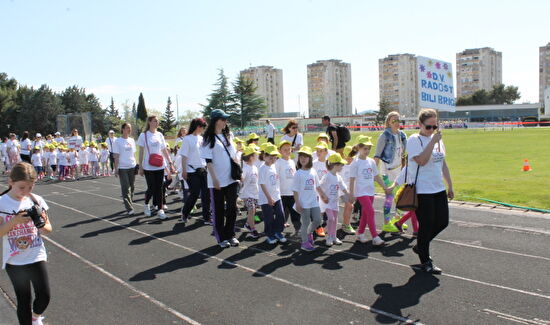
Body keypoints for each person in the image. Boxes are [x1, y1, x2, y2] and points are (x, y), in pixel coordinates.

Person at [396, 109, 454, 274]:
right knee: (426, 225)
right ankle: (425, 260)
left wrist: (450, 185)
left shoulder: (438, 140)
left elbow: (443, 163)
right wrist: (432, 141)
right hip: (422, 190)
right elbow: (421, 161)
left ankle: (421, 246)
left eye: (434, 126)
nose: (432, 130)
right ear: (420, 125)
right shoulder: (415, 140)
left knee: (442, 222)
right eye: (428, 127)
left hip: (438, 188)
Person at [0, 162, 52, 325]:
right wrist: (14, 221)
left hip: (36, 254)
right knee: (24, 300)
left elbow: (49, 228)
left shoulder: (36, 200)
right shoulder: (2, 203)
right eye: (22, 187)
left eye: (30, 187)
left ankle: (35, 317)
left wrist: (41, 224)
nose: (26, 192)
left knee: (44, 296)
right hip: (14, 260)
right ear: (11, 182)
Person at [201, 109, 240, 248]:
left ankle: (230, 234)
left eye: (226, 119)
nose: (225, 122)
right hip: (217, 181)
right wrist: (215, 179)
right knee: (218, 210)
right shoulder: (208, 138)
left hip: (231, 179)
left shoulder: (228, 135)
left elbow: (234, 155)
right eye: (223, 119)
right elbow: (208, 161)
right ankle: (221, 237)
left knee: (232, 208)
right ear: (216, 120)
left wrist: (238, 174)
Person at [349, 135, 392, 247]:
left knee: (365, 213)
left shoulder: (371, 161)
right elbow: (352, 179)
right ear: (358, 148)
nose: (367, 151)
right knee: (371, 212)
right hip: (361, 192)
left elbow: (377, 176)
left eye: (369, 148)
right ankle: (375, 237)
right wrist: (351, 194)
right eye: (365, 148)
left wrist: (385, 187)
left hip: (370, 191)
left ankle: (360, 233)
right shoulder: (355, 162)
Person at [374, 111, 408, 233]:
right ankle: (387, 223)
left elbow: (404, 154)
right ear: (388, 122)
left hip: (399, 171)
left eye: (398, 120)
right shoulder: (384, 136)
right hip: (386, 172)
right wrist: (373, 173)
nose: (397, 123)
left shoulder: (402, 135)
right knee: (389, 197)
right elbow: (377, 155)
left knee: (401, 196)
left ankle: (397, 220)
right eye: (394, 120)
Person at [138, 116, 175, 220]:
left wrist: (170, 162)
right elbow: (141, 151)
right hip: (148, 166)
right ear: (149, 122)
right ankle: (146, 204)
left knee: (160, 188)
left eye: (157, 121)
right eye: (155, 121)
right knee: (151, 187)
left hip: (159, 165)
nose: (157, 123)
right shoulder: (143, 135)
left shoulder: (159, 134)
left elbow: (164, 150)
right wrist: (140, 166)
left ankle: (160, 209)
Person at [292, 146, 328, 252]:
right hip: (304, 203)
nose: (303, 159)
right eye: (301, 157)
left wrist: (323, 195)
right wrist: (297, 203)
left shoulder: (313, 171)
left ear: (310, 159)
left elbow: (317, 186)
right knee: (306, 222)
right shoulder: (298, 173)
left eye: (306, 157)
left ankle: (309, 232)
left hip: (313, 201)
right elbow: (295, 190)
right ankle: (304, 242)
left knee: (318, 220)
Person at [179, 118, 211, 224]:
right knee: (195, 193)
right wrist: (184, 171)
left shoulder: (201, 138)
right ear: (198, 127)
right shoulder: (187, 139)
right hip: (191, 170)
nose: (203, 129)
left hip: (203, 169)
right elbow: (184, 156)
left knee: (206, 194)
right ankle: (185, 212)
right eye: (203, 127)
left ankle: (207, 217)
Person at [319, 153, 350, 246]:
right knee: (331, 218)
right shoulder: (327, 176)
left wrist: (349, 196)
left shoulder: (338, 177)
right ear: (335, 165)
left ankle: (334, 236)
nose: (342, 167)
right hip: (327, 202)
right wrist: (323, 197)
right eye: (341, 165)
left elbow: (343, 188)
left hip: (334, 202)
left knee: (335, 219)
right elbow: (319, 187)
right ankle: (329, 237)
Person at [259, 144, 287, 244]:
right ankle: (270, 235)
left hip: (276, 196)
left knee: (280, 215)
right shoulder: (263, 168)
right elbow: (262, 184)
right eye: (270, 157)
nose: (273, 160)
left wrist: (278, 194)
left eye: (274, 157)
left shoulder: (274, 166)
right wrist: (269, 198)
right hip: (266, 198)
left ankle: (278, 232)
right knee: (269, 217)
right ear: (264, 157)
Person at [275, 140, 301, 234]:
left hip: (292, 193)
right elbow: (276, 178)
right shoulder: (278, 163)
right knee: (281, 213)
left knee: (295, 212)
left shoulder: (292, 162)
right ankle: (279, 229)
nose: (287, 151)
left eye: (289, 149)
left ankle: (298, 228)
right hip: (281, 193)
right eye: (284, 149)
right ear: (280, 151)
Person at [113, 123, 137, 216]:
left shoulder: (131, 140)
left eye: (130, 128)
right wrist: (116, 169)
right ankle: (129, 207)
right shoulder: (118, 141)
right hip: (122, 168)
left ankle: (129, 202)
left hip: (132, 166)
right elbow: (116, 156)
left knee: (132, 187)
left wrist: (136, 164)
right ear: (122, 129)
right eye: (127, 128)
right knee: (125, 188)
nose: (129, 129)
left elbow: (134, 153)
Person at [239, 145, 260, 239]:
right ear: (251, 157)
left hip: (255, 193)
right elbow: (241, 179)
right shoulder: (245, 168)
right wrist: (240, 178)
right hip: (247, 193)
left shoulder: (254, 167)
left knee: (253, 210)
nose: (257, 156)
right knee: (251, 210)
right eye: (256, 155)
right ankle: (253, 229)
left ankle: (247, 224)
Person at [340, 145, 357, 235]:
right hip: (343, 190)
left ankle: (345, 224)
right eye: (348, 157)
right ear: (344, 156)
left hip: (351, 190)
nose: (350, 159)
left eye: (352, 157)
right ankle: (346, 225)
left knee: (350, 206)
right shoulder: (342, 166)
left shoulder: (354, 165)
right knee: (349, 206)